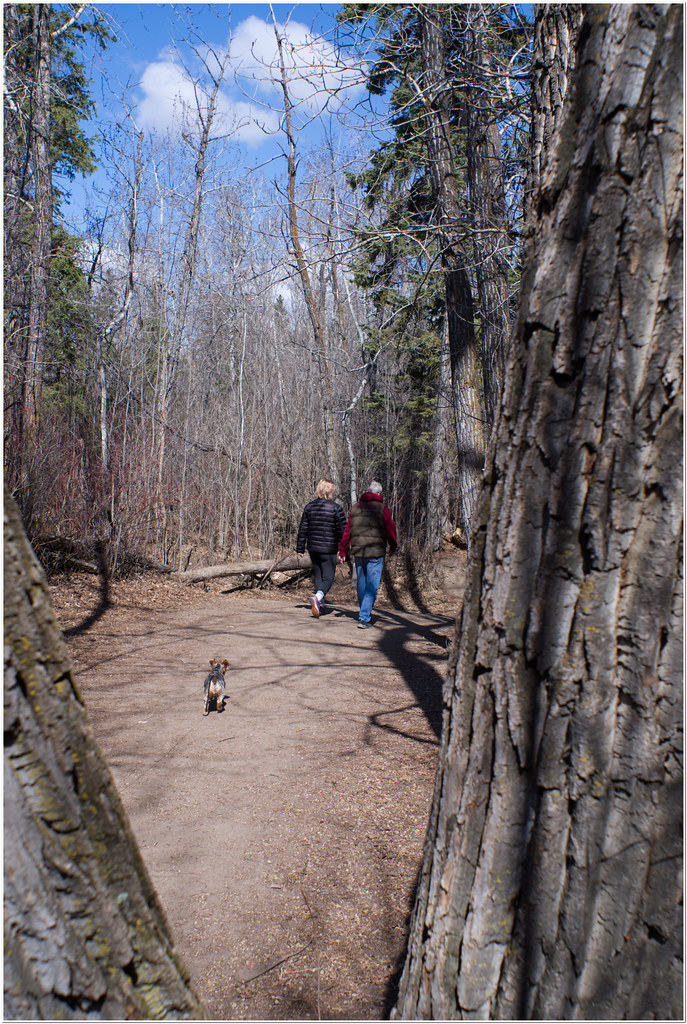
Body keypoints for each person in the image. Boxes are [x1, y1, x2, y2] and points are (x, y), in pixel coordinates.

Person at [338, 481, 397, 628]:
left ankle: (363, 612)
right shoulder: (383, 509)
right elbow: (390, 530)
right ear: (379, 493)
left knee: (362, 584)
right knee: (372, 585)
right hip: (376, 552)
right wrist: (393, 546)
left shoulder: (356, 508)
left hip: (359, 551)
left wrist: (343, 549)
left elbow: (347, 531)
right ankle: (364, 617)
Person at [296, 479, 347, 618]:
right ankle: (318, 597)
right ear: (331, 491)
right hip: (329, 549)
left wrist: (300, 548)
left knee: (319, 576)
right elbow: (343, 531)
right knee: (328, 578)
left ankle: (320, 604)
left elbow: (303, 529)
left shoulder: (309, 507)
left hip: (313, 548)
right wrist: (344, 551)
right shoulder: (336, 508)